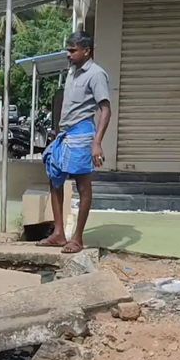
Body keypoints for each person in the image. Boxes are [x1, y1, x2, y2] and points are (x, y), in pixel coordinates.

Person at [38, 31, 112, 254]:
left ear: (86, 51)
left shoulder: (96, 74)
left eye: (72, 50)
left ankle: (77, 238)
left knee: (82, 184)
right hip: (65, 133)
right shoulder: (71, 73)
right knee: (55, 178)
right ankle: (59, 233)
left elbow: (105, 109)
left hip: (82, 134)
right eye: (67, 50)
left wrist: (97, 142)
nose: (68, 54)